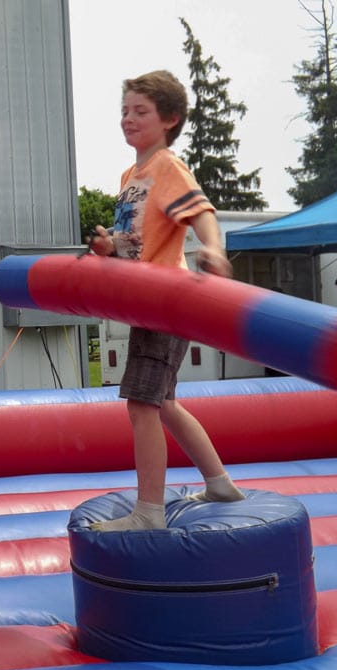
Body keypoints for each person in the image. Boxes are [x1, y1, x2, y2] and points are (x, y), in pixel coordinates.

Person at [87, 70, 244, 531]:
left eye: (141, 112)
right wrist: (108, 246)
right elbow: (134, 238)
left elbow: (200, 212)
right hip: (143, 301)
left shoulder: (167, 167)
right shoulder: (131, 175)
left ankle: (149, 512)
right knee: (165, 402)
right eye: (124, 111)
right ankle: (219, 483)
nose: (128, 119)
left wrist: (212, 248)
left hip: (164, 302)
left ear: (169, 119)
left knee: (141, 404)